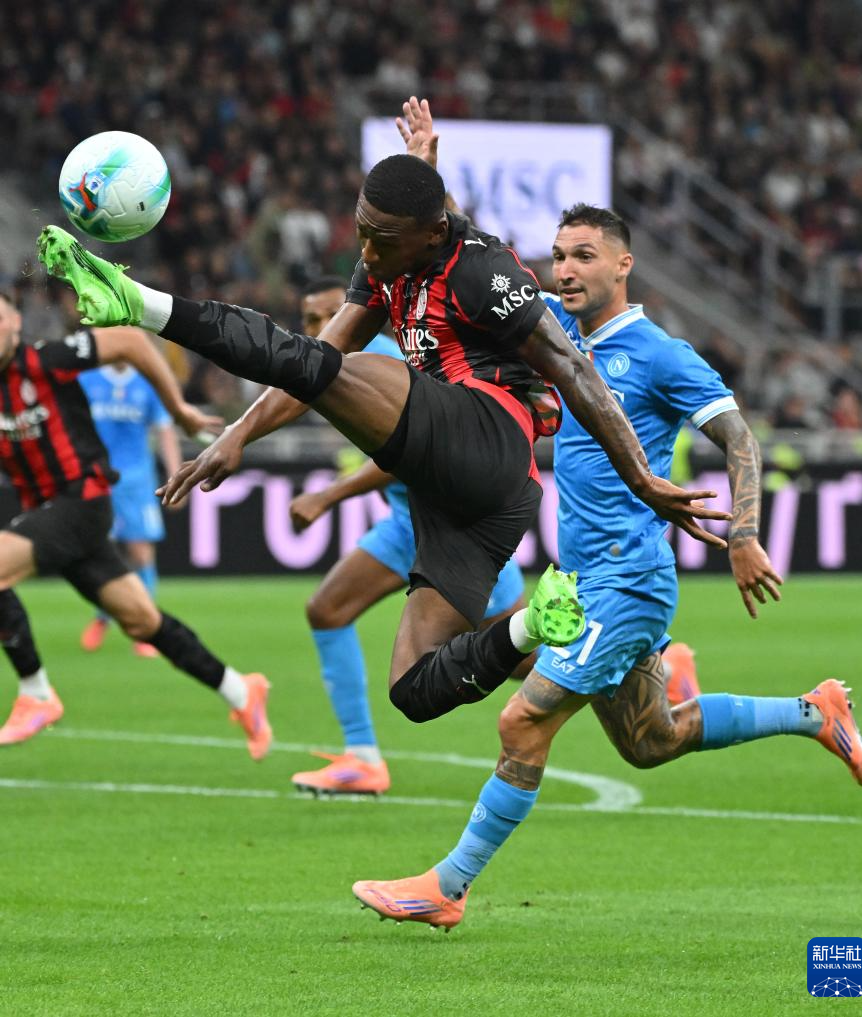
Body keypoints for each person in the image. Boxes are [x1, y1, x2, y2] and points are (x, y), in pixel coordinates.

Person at [344, 100, 862, 930]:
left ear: (623, 264)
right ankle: (813, 711)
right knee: (648, 739)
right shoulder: (552, 330)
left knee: (522, 720)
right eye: (557, 255)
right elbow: (466, 255)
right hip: (583, 576)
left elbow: (740, 439)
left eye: (583, 256)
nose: (564, 270)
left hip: (626, 579)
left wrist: (741, 534)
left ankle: (446, 885)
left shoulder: (659, 353)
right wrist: (425, 175)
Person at [38, 151, 729, 739]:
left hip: (488, 434)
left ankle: (138, 302)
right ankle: (532, 624)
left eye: (383, 239)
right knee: (414, 689)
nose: (367, 253)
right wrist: (237, 434)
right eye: (362, 231)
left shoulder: (483, 271)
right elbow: (313, 359)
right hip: (471, 502)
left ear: (432, 233)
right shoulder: (388, 259)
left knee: (326, 366)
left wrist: (643, 480)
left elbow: (574, 371)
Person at [0, 292, 271, 759]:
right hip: (52, 516)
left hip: (82, 502)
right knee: (142, 620)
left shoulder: (46, 360)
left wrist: (179, 411)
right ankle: (241, 691)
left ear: (16, 322)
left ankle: (36, 693)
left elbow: (132, 342)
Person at [288, 276, 529, 795]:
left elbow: (406, 453)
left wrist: (327, 496)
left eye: (328, 315)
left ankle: (650, 670)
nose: (319, 327)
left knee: (524, 658)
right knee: (327, 610)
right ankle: (362, 759)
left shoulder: (381, 359)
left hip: (457, 523)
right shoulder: (330, 365)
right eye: (310, 320)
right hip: (407, 522)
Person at [78, 358, 184, 658]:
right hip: (98, 480)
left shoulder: (148, 382)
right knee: (102, 552)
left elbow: (165, 431)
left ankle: (148, 630)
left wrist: (176, 477)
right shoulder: (87, 380)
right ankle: (102, 617)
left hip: (137, 481)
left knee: (141, 553)